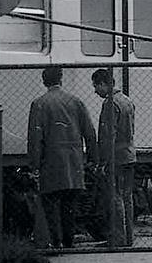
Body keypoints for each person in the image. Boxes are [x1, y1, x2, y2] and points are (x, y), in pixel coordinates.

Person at [27, 66, 96, 249]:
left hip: (51, 161)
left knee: (50, 204)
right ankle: (68, 241)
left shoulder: (39, 104)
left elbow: (35, 138)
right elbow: (89, 132)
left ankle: (55, 241)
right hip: (74, 162)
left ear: (44, 81)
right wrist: (92, 158)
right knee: (69, 205)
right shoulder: (76, 102)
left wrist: (33, 164)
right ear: (61, 79)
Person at [92, 68, 135, 247]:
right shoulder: (127, 101)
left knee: (115, 197)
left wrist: (102, 162)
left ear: (104, 84)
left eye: (96, 85)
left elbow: (107, 136)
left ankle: (117, 238)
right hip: (129, 155)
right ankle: (128, 237)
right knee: (127, 196)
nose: (95, 90)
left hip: (115, 157)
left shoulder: (109, 104)